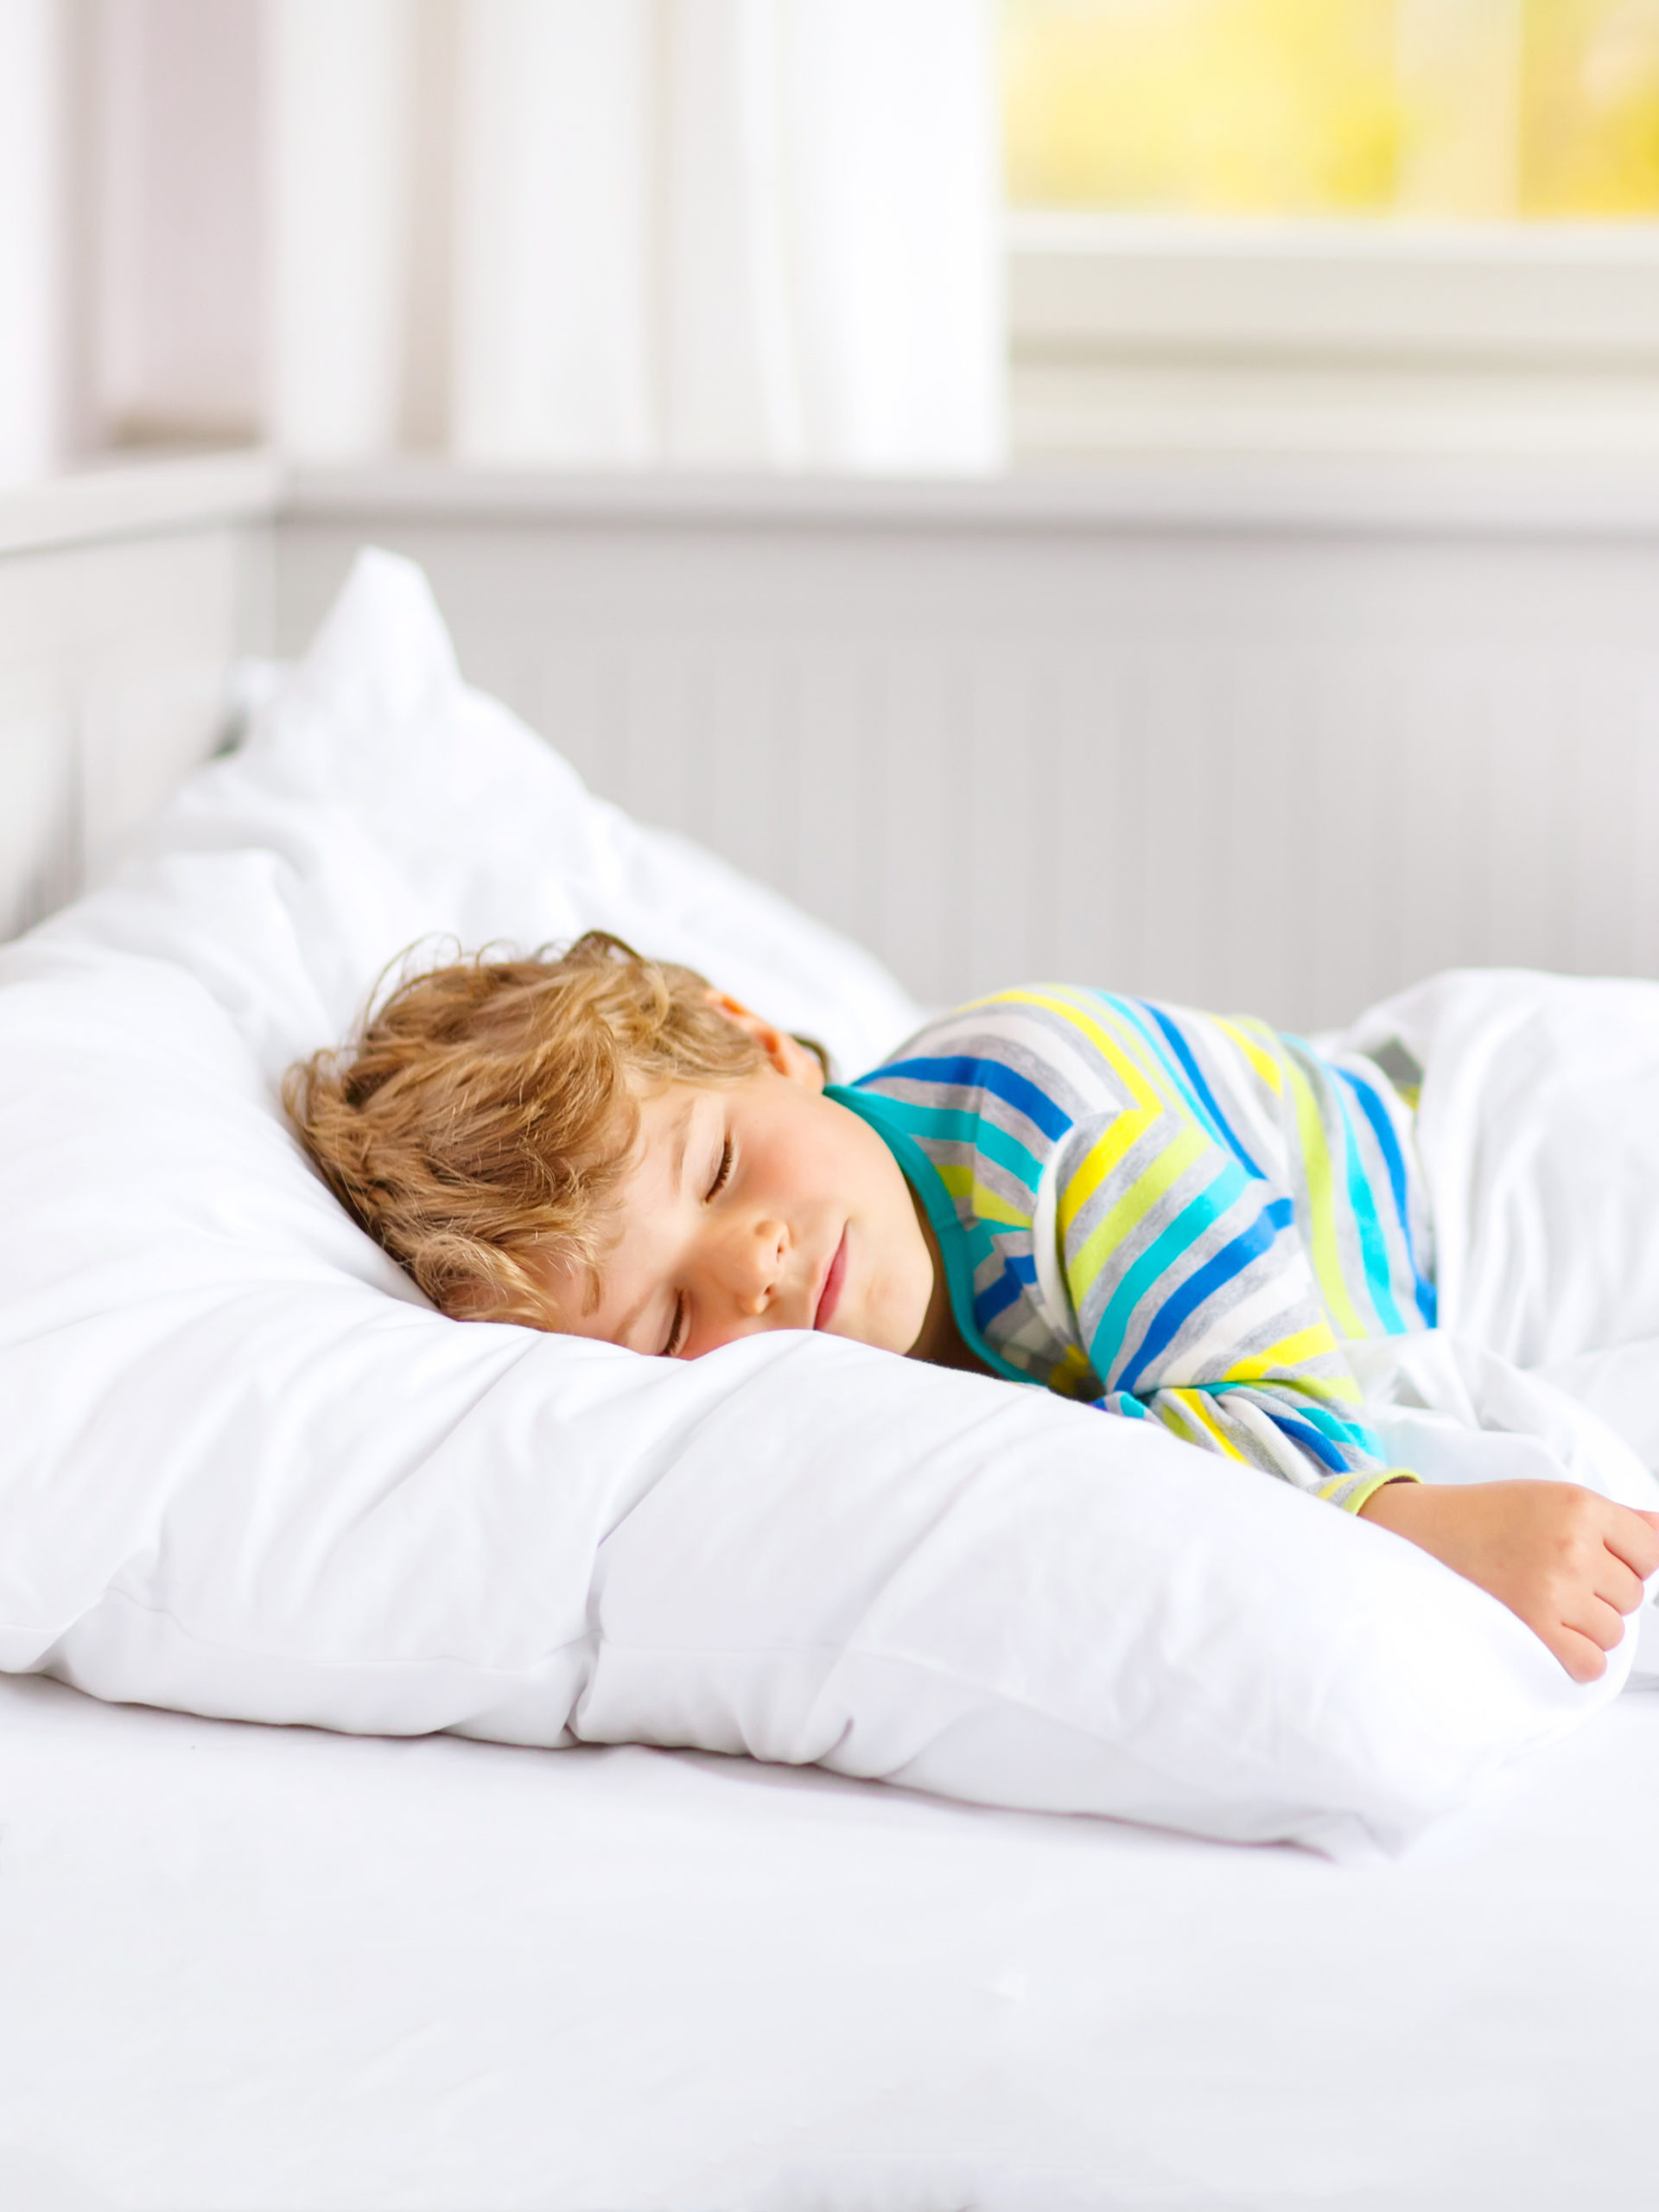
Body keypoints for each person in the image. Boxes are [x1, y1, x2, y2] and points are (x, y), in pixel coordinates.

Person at [286, 931, 1659, 1684]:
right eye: (663, 1325)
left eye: (716, 1170)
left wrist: (1393, 1514)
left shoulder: (1048, 1142)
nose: (750, 1268)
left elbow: (1290, 1402)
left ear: (766, 1044)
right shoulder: (845, 1367)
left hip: (1517, 1153)